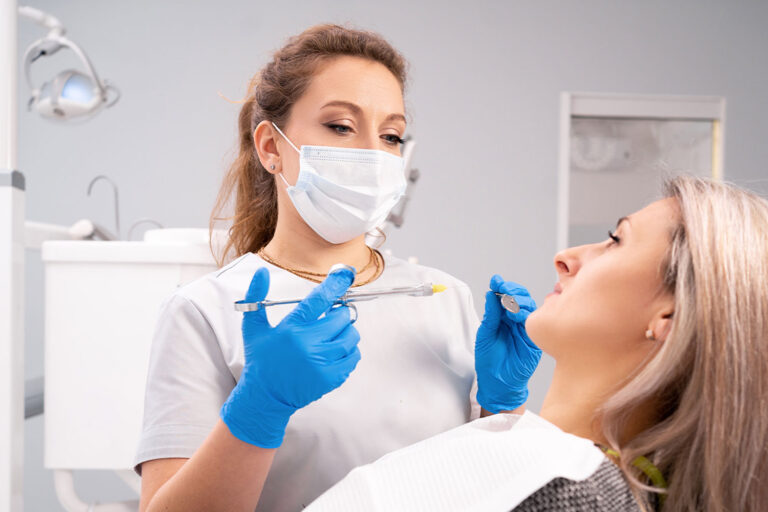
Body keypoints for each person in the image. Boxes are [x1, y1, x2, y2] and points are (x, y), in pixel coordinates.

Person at [135, 24, 541, 511]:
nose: (373, 152)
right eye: (341, 126)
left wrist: (502, 407)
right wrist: (260, 407)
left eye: (391, 135)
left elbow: (486, 488)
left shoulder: (444, 297)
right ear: (271, 147)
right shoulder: (206, 311)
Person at [303, 176, 768, 511]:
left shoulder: (571, 494)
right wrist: (499, 415)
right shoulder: (555, 465)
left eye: (615, 242)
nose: (567, 256)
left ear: (672, 313)